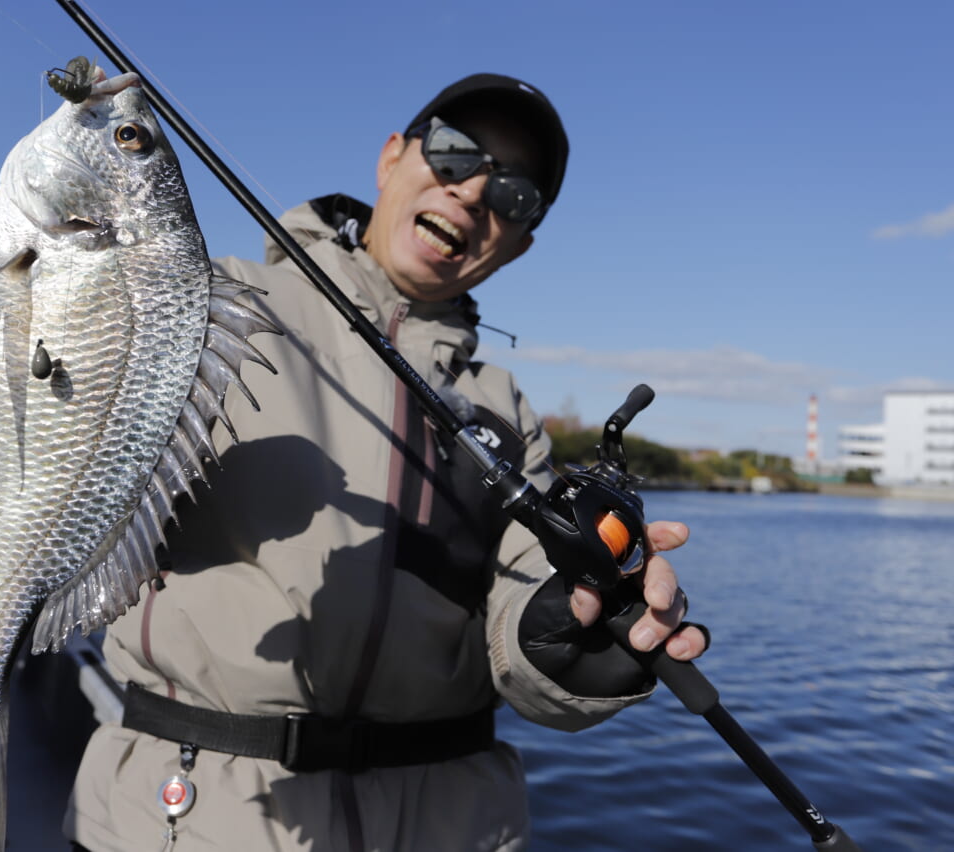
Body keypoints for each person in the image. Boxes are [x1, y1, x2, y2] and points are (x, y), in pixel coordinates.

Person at [65, 73, 708, 851]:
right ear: (391, 157)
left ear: (522, 243)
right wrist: (90, 152)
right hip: (192, 813)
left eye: (515, 195)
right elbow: (51, 399)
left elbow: (527, 647)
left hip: (453, 826)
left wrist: (582, 633)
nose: (474, 192)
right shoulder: (210, 302)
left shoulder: (509, 413)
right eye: (455, 153)